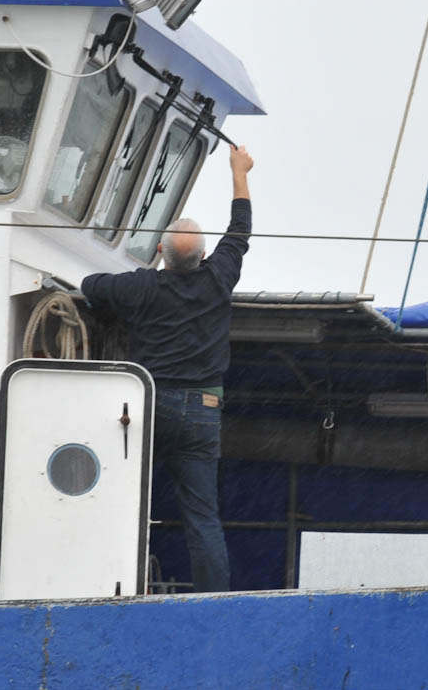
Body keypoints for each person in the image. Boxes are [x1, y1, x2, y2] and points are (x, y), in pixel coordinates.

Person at [81, 144, 254, 592]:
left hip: (149, 405)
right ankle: (213, 602)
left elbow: (90, 286)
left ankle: (107, 584)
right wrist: (240, 172)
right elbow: (239, 231)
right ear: (202, 257)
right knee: (202, 517)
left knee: (121, 499)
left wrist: (148, 268)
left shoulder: (141, 287)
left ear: (161, 252)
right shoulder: (219, 278)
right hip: (202, 409)